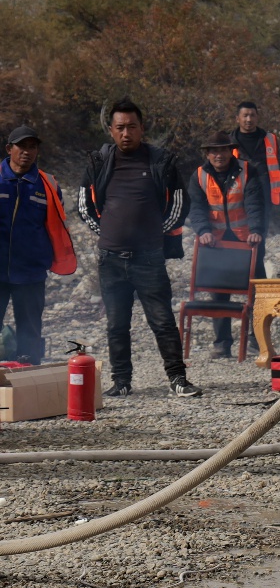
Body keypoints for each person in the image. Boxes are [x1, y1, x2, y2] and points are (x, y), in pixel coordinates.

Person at [78, 100, 198, 397]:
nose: (126, 133)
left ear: (142, 129)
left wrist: (157, 235)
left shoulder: (161, 162)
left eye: (132, 126)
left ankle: (178, 379)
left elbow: (180, 204)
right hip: (111, 259)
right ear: (111, 130)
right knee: (117, 325)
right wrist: (105, 231)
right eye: (120, 128)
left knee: (162, 321)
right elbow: (84, 206)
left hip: (149, 259)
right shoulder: (99, 162)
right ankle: (121, 382)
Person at [0, 125, 77, 364]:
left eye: (32, 147)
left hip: (31, 272)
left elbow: (55, 225)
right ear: (9, 149)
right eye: (21, 146)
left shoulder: (48, 185)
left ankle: (28, 378)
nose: (27, 151)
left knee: (30, 333)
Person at [186, 132, 266, 359]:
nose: (218, 155)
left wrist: (256, 231)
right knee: (218, 293)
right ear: (207, 154)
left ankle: (257, 341)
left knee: (257, 293)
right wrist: (203, 232)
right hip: (217, 243)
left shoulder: (247, 170)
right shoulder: (199, 176)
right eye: (213, 150)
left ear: (230, 151)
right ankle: (222, 344)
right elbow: (197, 208)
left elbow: (255, 203)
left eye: (222, 150)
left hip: (246, 240)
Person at [229, 101, 280, 279]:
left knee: (258, 237)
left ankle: (257, 283)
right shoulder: (229, 141)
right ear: (238, 118)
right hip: (236, 196)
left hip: (264, 195)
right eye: (245, 115)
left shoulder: (270, 139)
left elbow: (276, 167)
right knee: (234, 236)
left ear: (257, 117)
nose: (249, 119)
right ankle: (234, 280)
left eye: (252, 115)